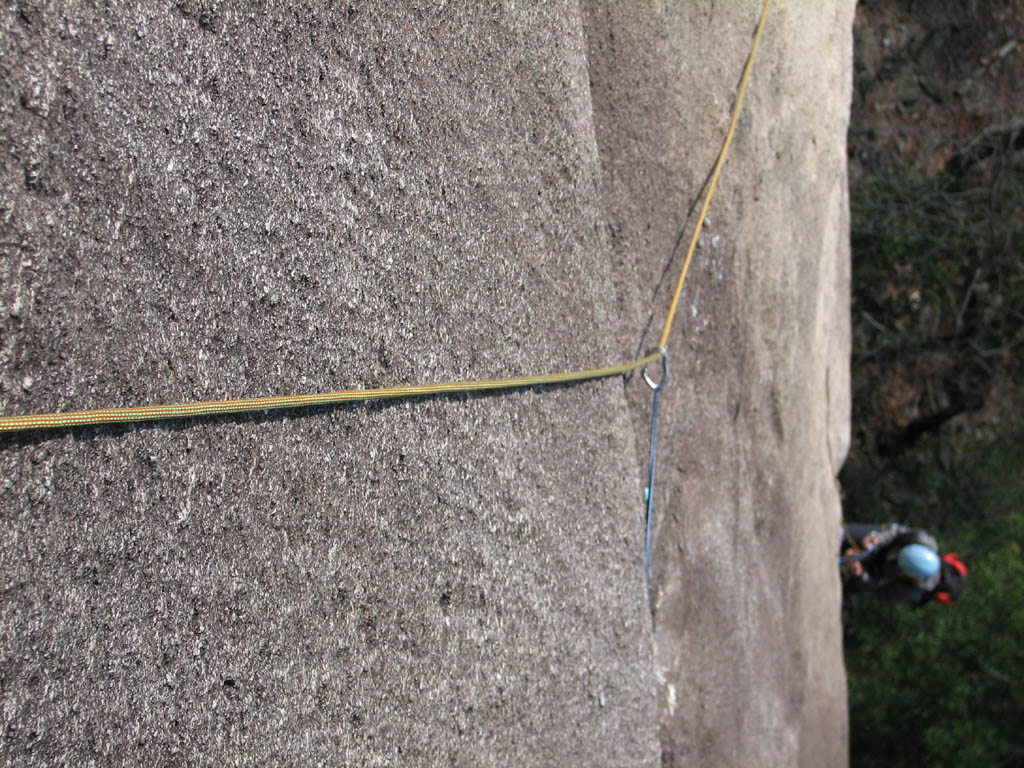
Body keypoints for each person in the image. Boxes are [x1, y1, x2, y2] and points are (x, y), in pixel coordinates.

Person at [840, 522, 967, 608]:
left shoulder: (912, 590)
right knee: (842, 533)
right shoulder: (922, 540)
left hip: (875, 574)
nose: (895, 558)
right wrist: (877, 539)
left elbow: (881, 592)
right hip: (881, 544)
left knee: (846, 586)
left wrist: (860, 575)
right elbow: (896, 532)